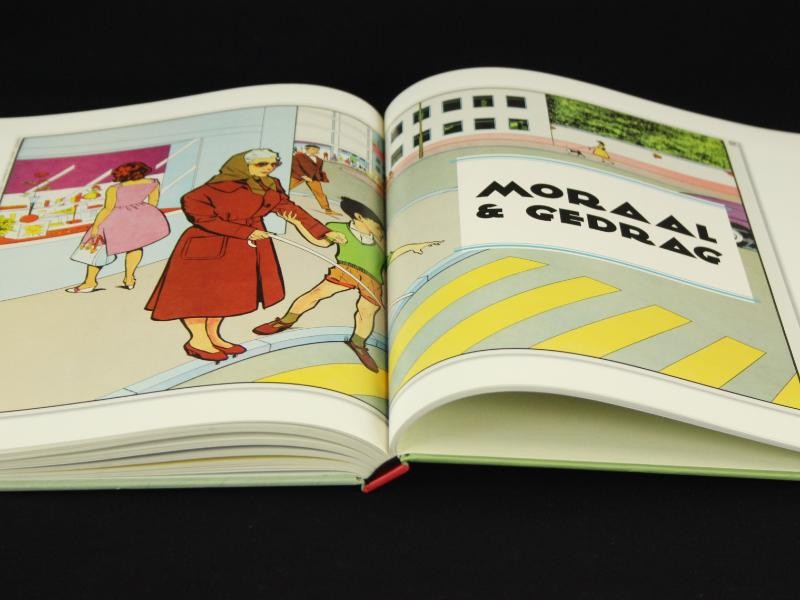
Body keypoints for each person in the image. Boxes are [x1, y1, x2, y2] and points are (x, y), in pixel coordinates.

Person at [145, 149, 346, 362]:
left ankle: (213, 336)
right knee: (200, 295)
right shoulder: (211, 190)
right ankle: (197, 340)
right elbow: (202, 218)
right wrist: (245, 231)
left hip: (244, 246)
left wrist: (324, 232)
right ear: (242, 165)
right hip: (208, 245)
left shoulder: (270, 185)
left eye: (272, 164)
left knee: (224, 295)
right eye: (262, 164)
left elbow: (290, 209)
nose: (269, 168)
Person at [252, 196, 441, 372]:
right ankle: (286, 321)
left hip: (372, 279)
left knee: (366, 312)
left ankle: (358, 344)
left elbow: (388, 259)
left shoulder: (378, 245)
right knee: (317, 293)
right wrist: (297, 224)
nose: (379, 230)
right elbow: (320, 242)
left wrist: (412, 247)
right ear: (359, 217)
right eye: (375, 224)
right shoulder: (338, 228)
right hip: (346, 270)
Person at [66, 161, 169, 293]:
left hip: (115, 220)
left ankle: (90, 282)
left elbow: (107, 209)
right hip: (139, 218)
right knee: (135, 246)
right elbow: (153, 202)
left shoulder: (115, 188)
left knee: (97, 248)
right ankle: (129, 279)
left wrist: (96, 226)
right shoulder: (153, 182)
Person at [289, 143, 341, 215]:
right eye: (314, 149)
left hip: (313, 178)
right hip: (298, 176)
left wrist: (321, 177)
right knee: (287, 186)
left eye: (317, 150)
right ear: (308, 149)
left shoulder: (320, 160)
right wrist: (303, 176)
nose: (316, 151)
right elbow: (295, 166)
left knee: (320, 193)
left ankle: (328, 210)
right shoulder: (299, 155)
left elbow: (318, 171)